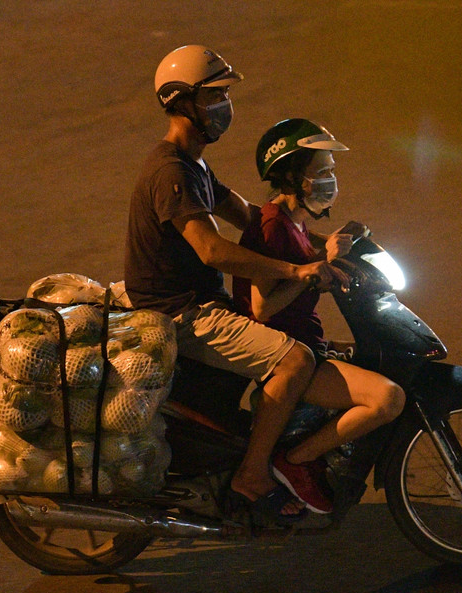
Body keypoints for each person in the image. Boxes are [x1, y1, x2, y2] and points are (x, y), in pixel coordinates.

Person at [123, 46, 346, 525]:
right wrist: (294, 271)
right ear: (182, 102)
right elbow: (212, 250)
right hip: (181, 313)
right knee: (295, 360)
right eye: (215, 96)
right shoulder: (171, 172)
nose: (225, 106)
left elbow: (248, 216)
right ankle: (253, 474)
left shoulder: (195, 165)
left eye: (225, 95)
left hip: (201, 301)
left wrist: (322, 245)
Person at [232, 118, 406, 514]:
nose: (330, 181)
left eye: (331, 171)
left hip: (311, 345)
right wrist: (316, 268)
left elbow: (308, 259)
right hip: (289, 357)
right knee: (388, 398)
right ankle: (295, 461)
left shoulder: (295, 222)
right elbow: (262, 307)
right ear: (292, 176)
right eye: (320, 172)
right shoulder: (272, 226)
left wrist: (341, 245)